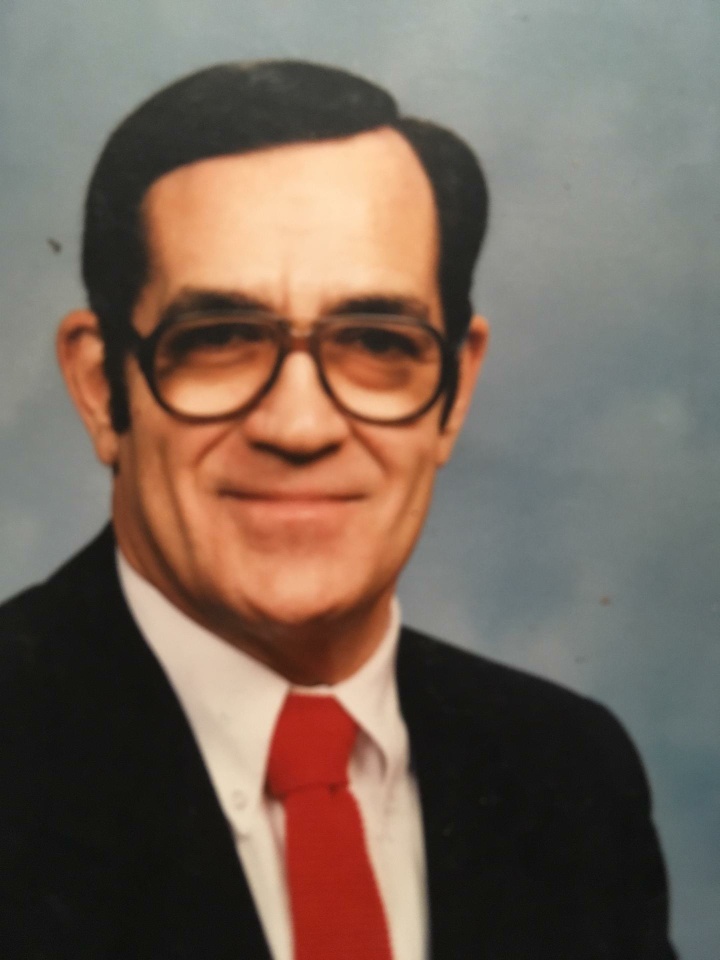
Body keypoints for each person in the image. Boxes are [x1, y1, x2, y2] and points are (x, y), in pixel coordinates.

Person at [0, 60, 675, 959]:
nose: (300, 426)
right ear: (99, 387)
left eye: (375, 342)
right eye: (220, 337)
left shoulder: (569, 773)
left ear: (455, 389)